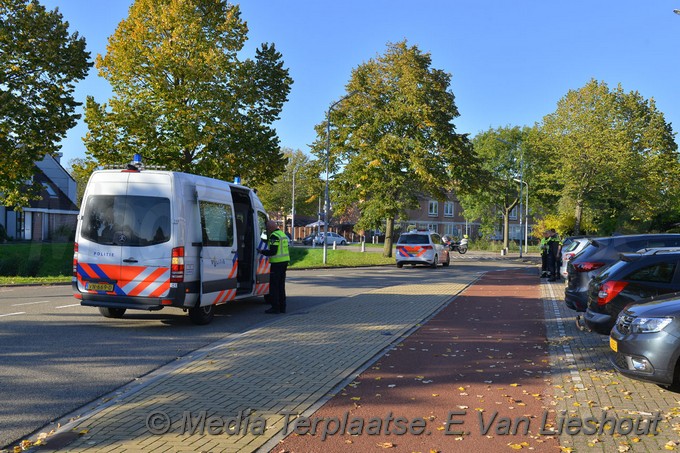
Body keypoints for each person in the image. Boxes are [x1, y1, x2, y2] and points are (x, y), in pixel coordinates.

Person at [259, 219, 290, 314]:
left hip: (276, 264)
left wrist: (261, 251)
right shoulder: (282, 234)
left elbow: (273, 251)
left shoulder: (274, 236)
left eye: (267, 228)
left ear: (270, 228)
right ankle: (282, 307)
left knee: (274, 287)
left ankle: (275, 308)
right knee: (281, 286)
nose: (267, 229)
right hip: (284, 262)